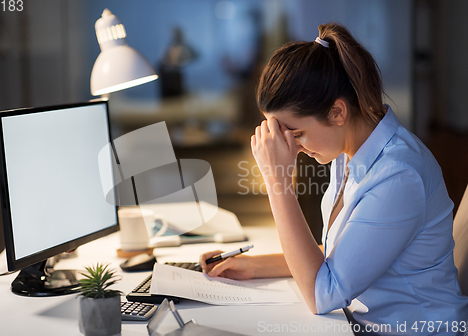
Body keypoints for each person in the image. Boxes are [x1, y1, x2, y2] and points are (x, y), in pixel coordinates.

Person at [200, 23, 468, 335]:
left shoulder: (399, 175)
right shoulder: (348, 153)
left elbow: (322, 294)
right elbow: (340, 257)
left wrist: (277, 182)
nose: (295, 148)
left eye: (297, 133)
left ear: (337, 112)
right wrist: (256, 266)